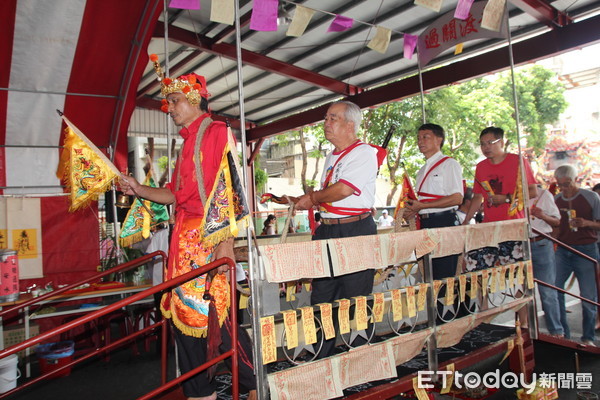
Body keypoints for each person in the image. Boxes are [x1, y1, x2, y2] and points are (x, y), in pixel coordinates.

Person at [120, 59, 256, 400]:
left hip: (208, 243)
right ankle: (201, 394)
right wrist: (137, 188)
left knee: (219, 321)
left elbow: (230, 190)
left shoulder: (217, 132)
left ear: (195, 99)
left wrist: (225, 246)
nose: (169, 108)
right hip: (183, 245)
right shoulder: (185, 143)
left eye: (175, 101)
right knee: (185, 324)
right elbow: (174, 195)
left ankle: (257, 387)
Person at [295, 100, 383, 358]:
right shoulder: (331, 156)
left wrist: (312, 198)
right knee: (322, 296)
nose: (326, 123)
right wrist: (310, 199)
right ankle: (323, 355)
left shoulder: (364, 152)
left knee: (355, 297)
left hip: (354, 230)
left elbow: (344, 189)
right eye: (326, 118)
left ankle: (362, 359)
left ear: (350, 125)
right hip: (328, 230)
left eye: (333, 118)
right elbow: (330, 193)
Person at [462, 127, 537, 270]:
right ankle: (482, 293)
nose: (486, 147)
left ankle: (521, 293)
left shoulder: (517, 161)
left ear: (501, 142)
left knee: (517, 275)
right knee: (475, 268)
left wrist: (506, 199)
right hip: (488, 226)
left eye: (490, 142)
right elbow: (478, 196)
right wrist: (466, 220)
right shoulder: (481, 167)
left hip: (513, 226)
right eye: (483, 144)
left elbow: (532, 192)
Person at [405, 124, 463, 281]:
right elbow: (422, 201)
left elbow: (457, 198)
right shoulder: (421, 170)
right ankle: (434, 305)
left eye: (425, 137)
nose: (420, 141)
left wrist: (423, 206)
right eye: (418, 138)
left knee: (445, 274)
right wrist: (414, 210)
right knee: (429, 272)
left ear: (439, 139)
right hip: (425, 224)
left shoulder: (449, 164)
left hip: (444, 221)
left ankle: (446, 305)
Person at [553, 165, 600, 347]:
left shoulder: (591, 197)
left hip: (586, 249)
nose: (564, 188)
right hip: (563, 250)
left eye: (567, 183)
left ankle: (588, 336)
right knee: (555, 288)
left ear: (576, 180)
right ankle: (563, 333)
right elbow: (555, 227)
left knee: (588, 295)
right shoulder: (556, 200)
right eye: (560, 185)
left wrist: (585, 222)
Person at [529, 185, 563, 337]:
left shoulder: (544, 195)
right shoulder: (513, 195)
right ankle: (528, 329)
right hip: (520, 243)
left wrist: (542, 215)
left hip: (541, 243)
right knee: (522, 291)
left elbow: (557, 221)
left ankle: (556, 331)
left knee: (547, 291)